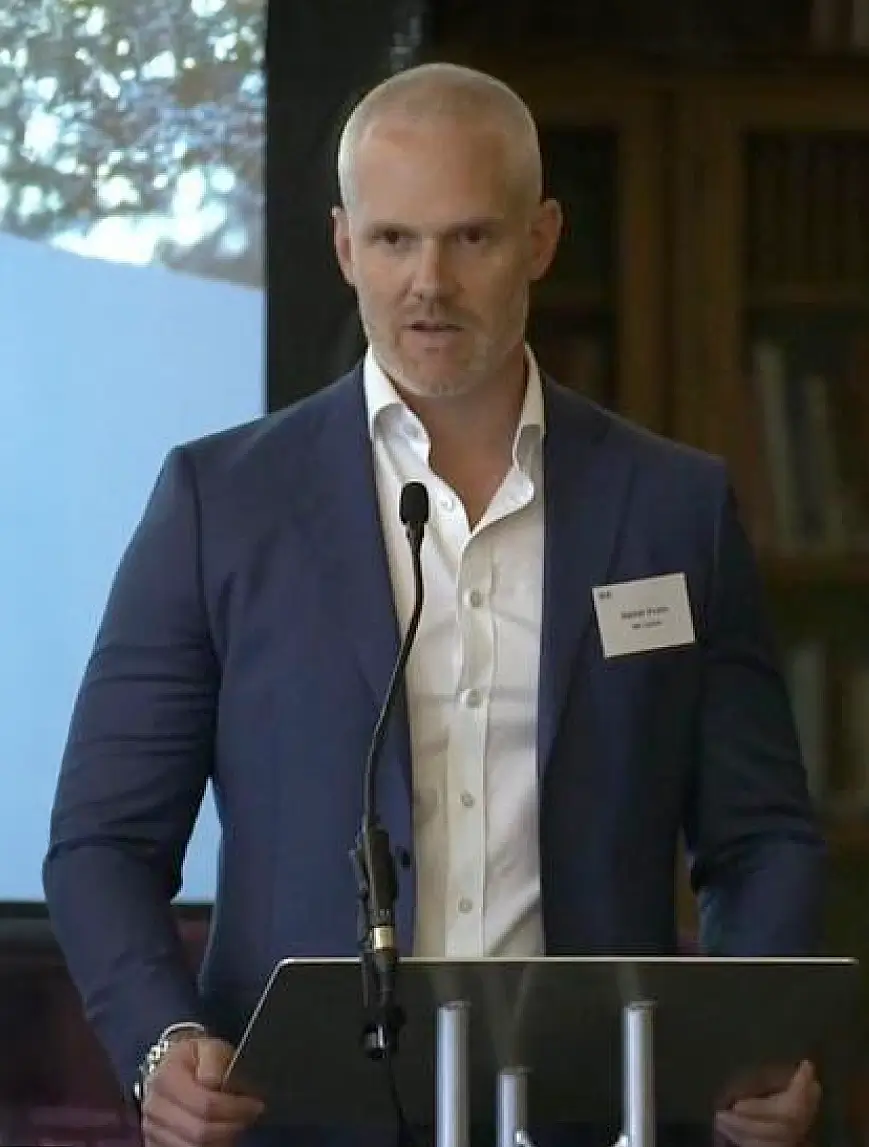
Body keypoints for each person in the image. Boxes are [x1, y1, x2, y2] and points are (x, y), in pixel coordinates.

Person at [43, 62, 825, 1147]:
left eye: (470, 238)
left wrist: (754, 1036)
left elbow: (758, 834)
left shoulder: (669, 508)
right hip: (297, 1120)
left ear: (540, 239)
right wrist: (159, 1041)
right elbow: (103, 840)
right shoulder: (219, 504)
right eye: (393, 239)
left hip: (598, 1112)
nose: (428, 283)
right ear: (342, 246)